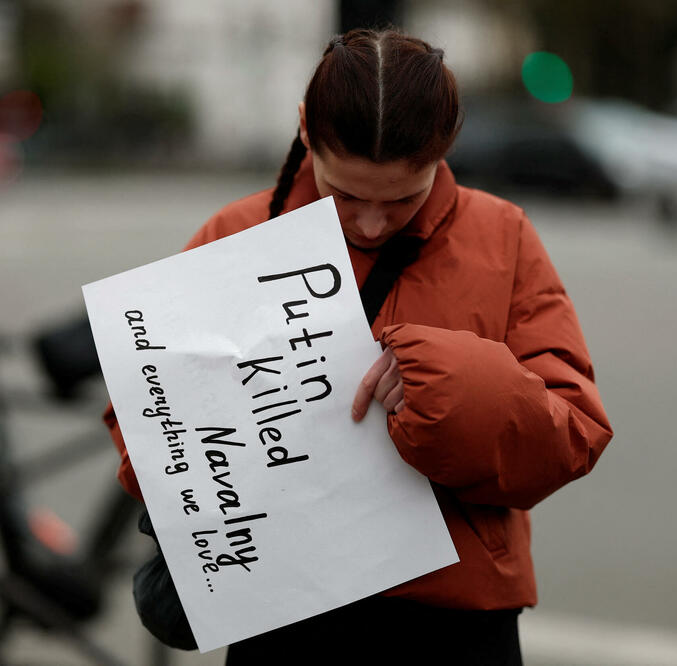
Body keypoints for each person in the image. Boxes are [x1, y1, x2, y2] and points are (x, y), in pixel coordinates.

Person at [104, 28, 613, 664]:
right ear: (305, 130)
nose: (371, 223)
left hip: (455, 624)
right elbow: (146, 413)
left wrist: (448, 386)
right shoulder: (235, 235)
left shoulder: (502, 237)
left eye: (403, 198)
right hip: (285, 614)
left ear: (445, 147)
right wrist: (186, 458)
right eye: (344, 194)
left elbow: (573, 432)